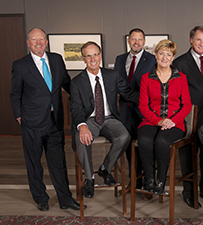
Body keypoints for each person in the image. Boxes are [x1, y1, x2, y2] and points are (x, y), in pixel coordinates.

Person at [10, 28, 83, 211]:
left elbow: (66, 82)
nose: (38, 43)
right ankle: (40, 197)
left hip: (55, 120)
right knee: (34, 162)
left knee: (58, 162)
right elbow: (15, 94)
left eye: (41, 39)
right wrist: (19, 116)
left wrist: (83, 93)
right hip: (31, 122)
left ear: (46, 42)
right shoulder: (20, 65)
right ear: (28, 42)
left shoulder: (57, 59)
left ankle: (65, 198)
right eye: (34, 40)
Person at [69, 41, 138, 199]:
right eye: (89, 56)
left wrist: (151, 100)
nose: (93, 59)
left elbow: (128, 93)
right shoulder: (77, 82)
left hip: (109, 118)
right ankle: (89, 179)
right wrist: (82, 126)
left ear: (100, 56)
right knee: (82, 139)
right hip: (89, 120)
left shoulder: (112, 75)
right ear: (83, 59)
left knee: (125, 136)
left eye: (95, 55)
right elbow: (76, 108)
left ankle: (105, 168)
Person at [137, 39, 192, 195]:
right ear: (155, 55)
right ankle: (150, 179)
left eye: (168, 54)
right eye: (161, 53)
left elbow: (186, 105)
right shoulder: (145, 78)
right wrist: (158, 120)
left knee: (162, 141)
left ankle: (161, 180)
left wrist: (173, 121)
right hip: (150, 120)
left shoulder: (181, 78)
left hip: (175, 123)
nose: (164, 57)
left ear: (173, 57)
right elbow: (143, 106)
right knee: (144, 139)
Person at [173, 26, 203, 208]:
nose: (202, 44)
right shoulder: (180, 62)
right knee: (189, 156)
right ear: (191, 40)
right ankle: (189, 194)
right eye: (199, 40)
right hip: (190, 117)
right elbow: (176, 93)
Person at [114, 28, 156, 196]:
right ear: (128, 41)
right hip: (125, 111)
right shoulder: (119, 59)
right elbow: (117, 83)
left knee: (146, 147)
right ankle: (134, 180)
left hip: (144, 111)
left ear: (144, 42)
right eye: (133, 39)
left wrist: (133, 97)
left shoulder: (152, 60)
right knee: (128, 147)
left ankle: (148, 182)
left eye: (140, 39)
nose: (136, 42)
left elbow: (153, 87)